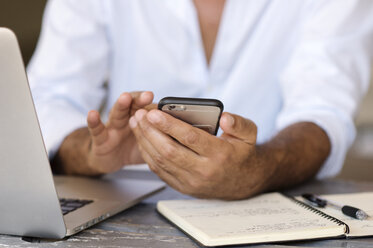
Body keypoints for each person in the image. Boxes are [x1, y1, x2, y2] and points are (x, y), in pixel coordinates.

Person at [27, 0, 373, 200]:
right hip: (121, 205)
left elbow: (323, 113)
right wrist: (90, 153)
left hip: (270, 213)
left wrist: (258, 168)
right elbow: (47, 100)